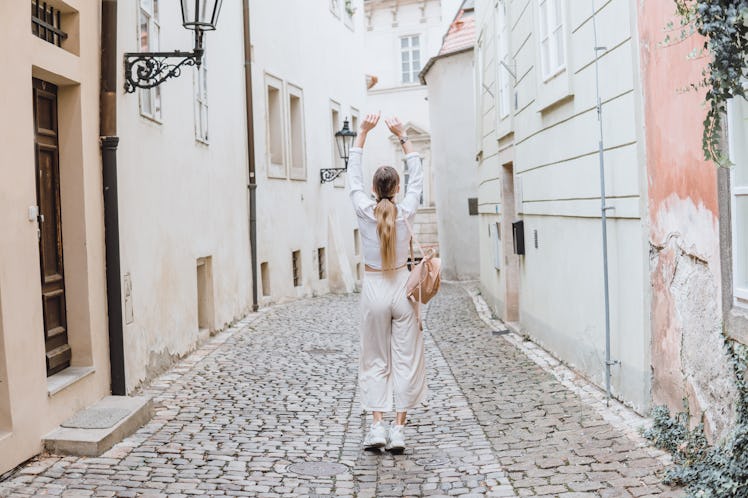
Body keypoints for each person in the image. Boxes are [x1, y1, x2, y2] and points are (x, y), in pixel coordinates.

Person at [346, 112, 427, 454]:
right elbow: (417, 178)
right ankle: (399, 430)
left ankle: (377, 427)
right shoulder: (406, 209)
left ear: (374, 188)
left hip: (375, 289)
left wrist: (362, 133)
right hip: (402, 290)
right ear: (396, 189)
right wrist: (403, 136)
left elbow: (352, 178)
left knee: (375, 359)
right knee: (406, 359)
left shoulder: (364, 208)